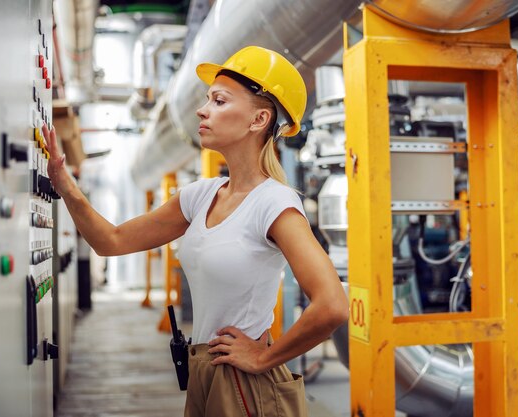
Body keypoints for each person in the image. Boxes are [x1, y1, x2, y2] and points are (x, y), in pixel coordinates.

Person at [43, 45, 349, 417]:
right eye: (207, 99)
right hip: (202, 368)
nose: (203, 110)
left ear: (258, 120)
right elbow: (112, 242)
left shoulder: (274, 203)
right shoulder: (200, 196)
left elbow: (332, 305)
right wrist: (66, 185)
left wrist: (264, 357)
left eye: (219, 101)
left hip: (243, 382)